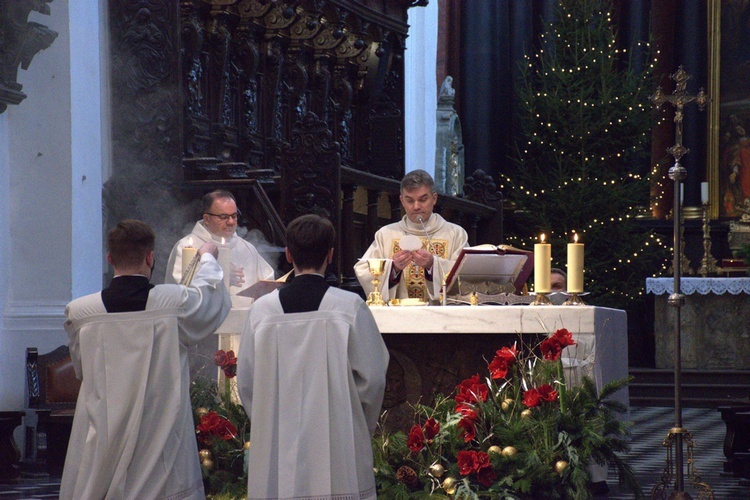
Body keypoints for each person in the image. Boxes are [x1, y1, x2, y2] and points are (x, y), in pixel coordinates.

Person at [60, 220, 231, 500]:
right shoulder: (172, 304)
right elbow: (208, 296)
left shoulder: (81, 313)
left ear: (110, 258)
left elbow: (82, 370)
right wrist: (209, 257)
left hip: (104, 432)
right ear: (150, 257)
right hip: (158, 431)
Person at [237, 214, 389, 499]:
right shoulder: (348, 307)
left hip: (277, 445)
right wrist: (355, 424)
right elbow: (373, 380)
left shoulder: (262, 311)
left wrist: (270, 422)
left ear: (288, 254)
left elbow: (247, 383)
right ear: (330, 255)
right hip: (337, 441)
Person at [354, 169, 469, 302]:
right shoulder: (386, 234)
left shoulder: (455, 233)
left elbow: (465, 276)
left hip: (440, 317)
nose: (416, 207)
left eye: (423, 199)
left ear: (434, 198)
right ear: (402, 201)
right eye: (409, 200)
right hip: (398, 317)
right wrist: (393, 269)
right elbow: (363, 270)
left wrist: (433, 265)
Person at [165, 189, 274, 296]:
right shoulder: (186, 247)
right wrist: (222, 280)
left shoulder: (246, 248)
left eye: (234, 216)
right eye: (223, 217)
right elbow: (182, 290)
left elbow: (268, 282)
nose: (231, 222)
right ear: (207, 219)